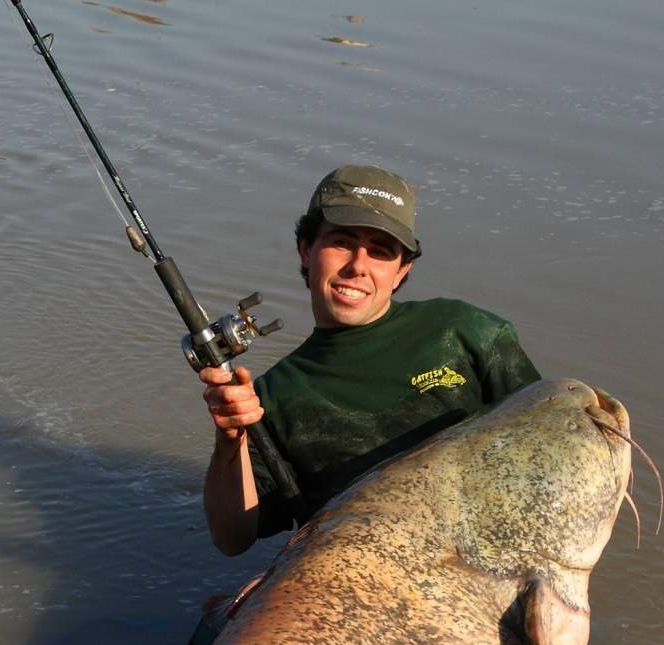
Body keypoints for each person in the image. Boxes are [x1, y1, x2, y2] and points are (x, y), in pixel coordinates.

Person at [198, 165, 543, 558]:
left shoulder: (468, 332)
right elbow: (232, 538)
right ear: (306, 250)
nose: (358, 265)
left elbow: (548, 450)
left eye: (380, 251)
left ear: (402, 270)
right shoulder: (271, 396)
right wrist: (231, 442)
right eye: (342, 242)